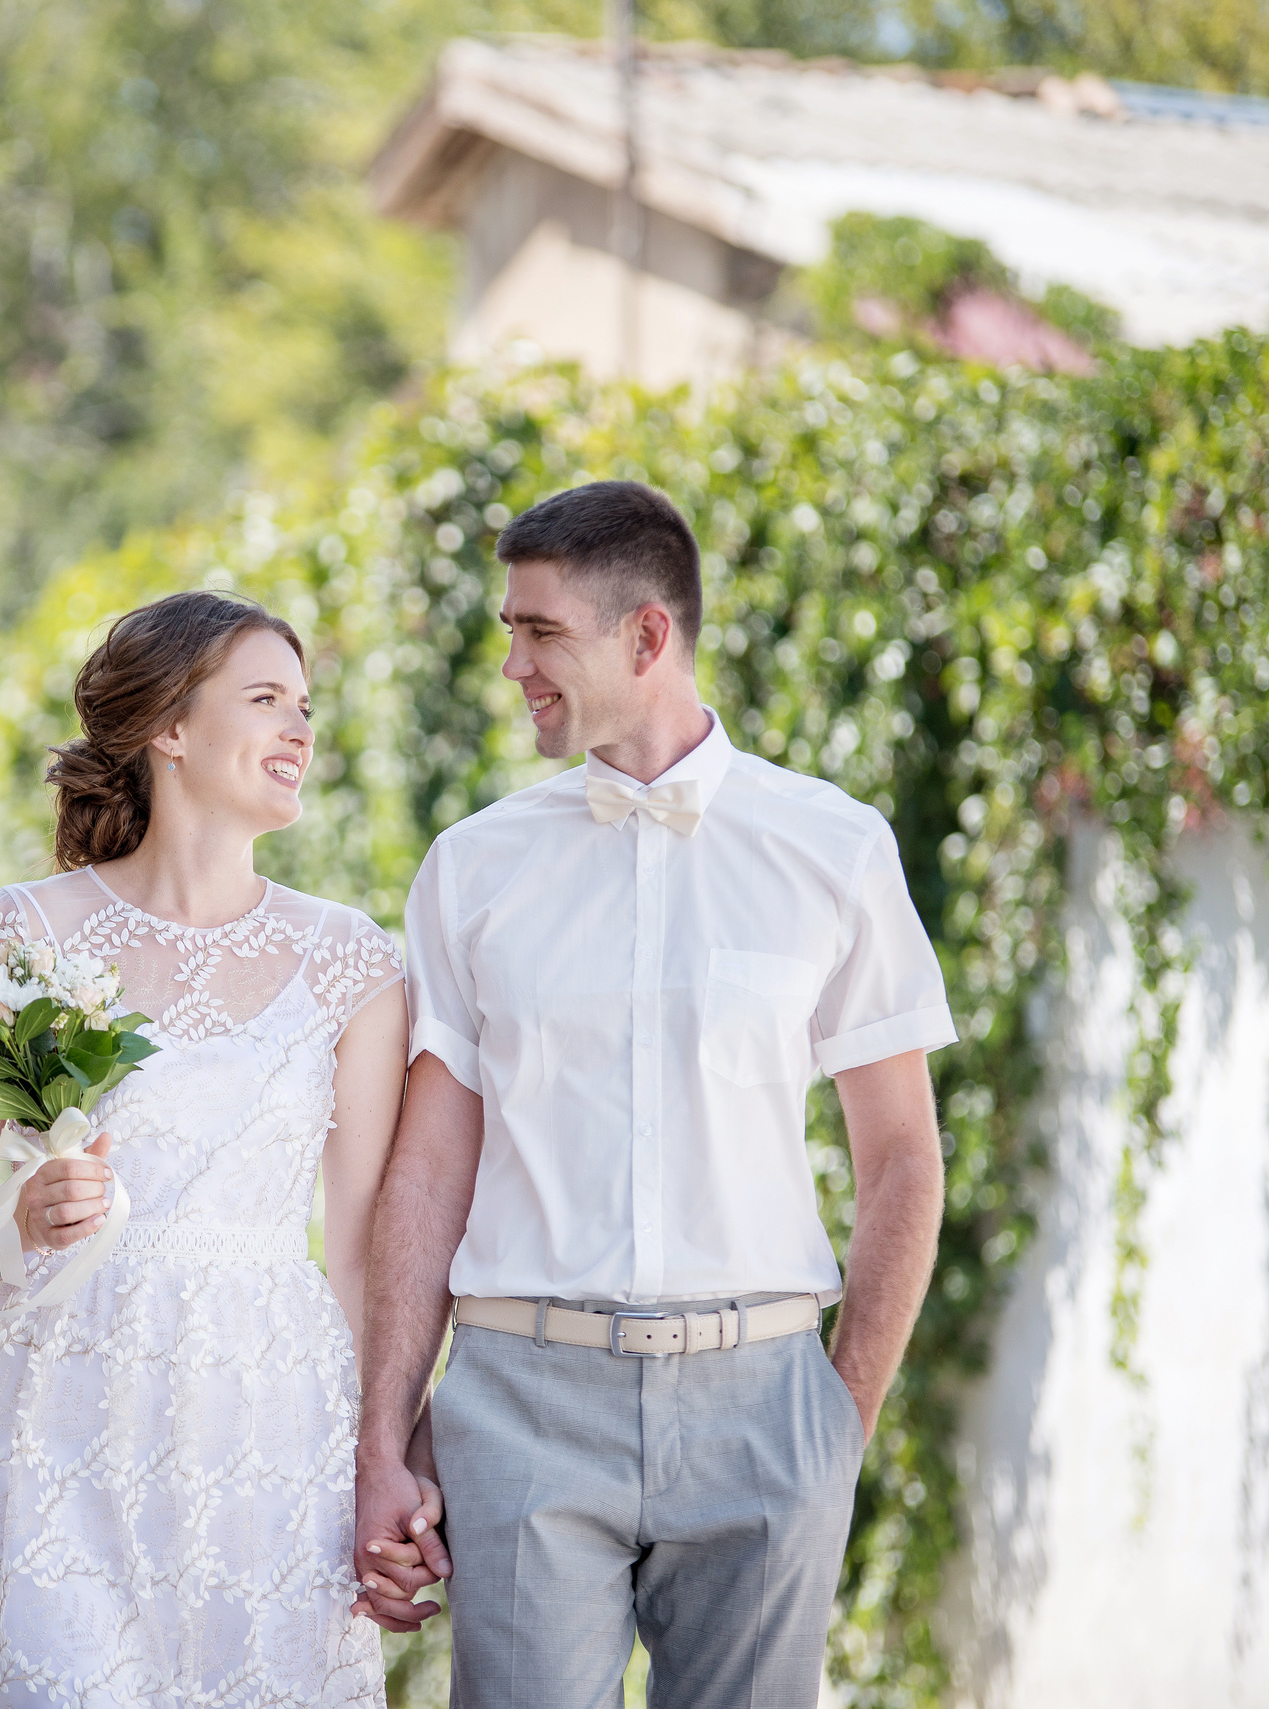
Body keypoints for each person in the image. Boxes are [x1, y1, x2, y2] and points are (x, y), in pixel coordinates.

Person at [352, 481, 954, 1707]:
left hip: (764, 1406)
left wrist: (836, 1422)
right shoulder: (471, 867)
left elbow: (900, 1154)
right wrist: (384, 1430)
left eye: (540, 632)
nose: (512, 664)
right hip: (521, 1401)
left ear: (646, 635)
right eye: (509, 630)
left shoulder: (832, 847)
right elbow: (428, 1167)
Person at [0, 590, 440, 1707]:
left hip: (267, 1424)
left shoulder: (351, 962)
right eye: (266, 699)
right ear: (170, 728)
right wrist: (17, 1212)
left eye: (305, 705)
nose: (299, 729)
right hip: (48, 1416)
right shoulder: (22, 933)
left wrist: (383, 1453)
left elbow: (359, 1249)